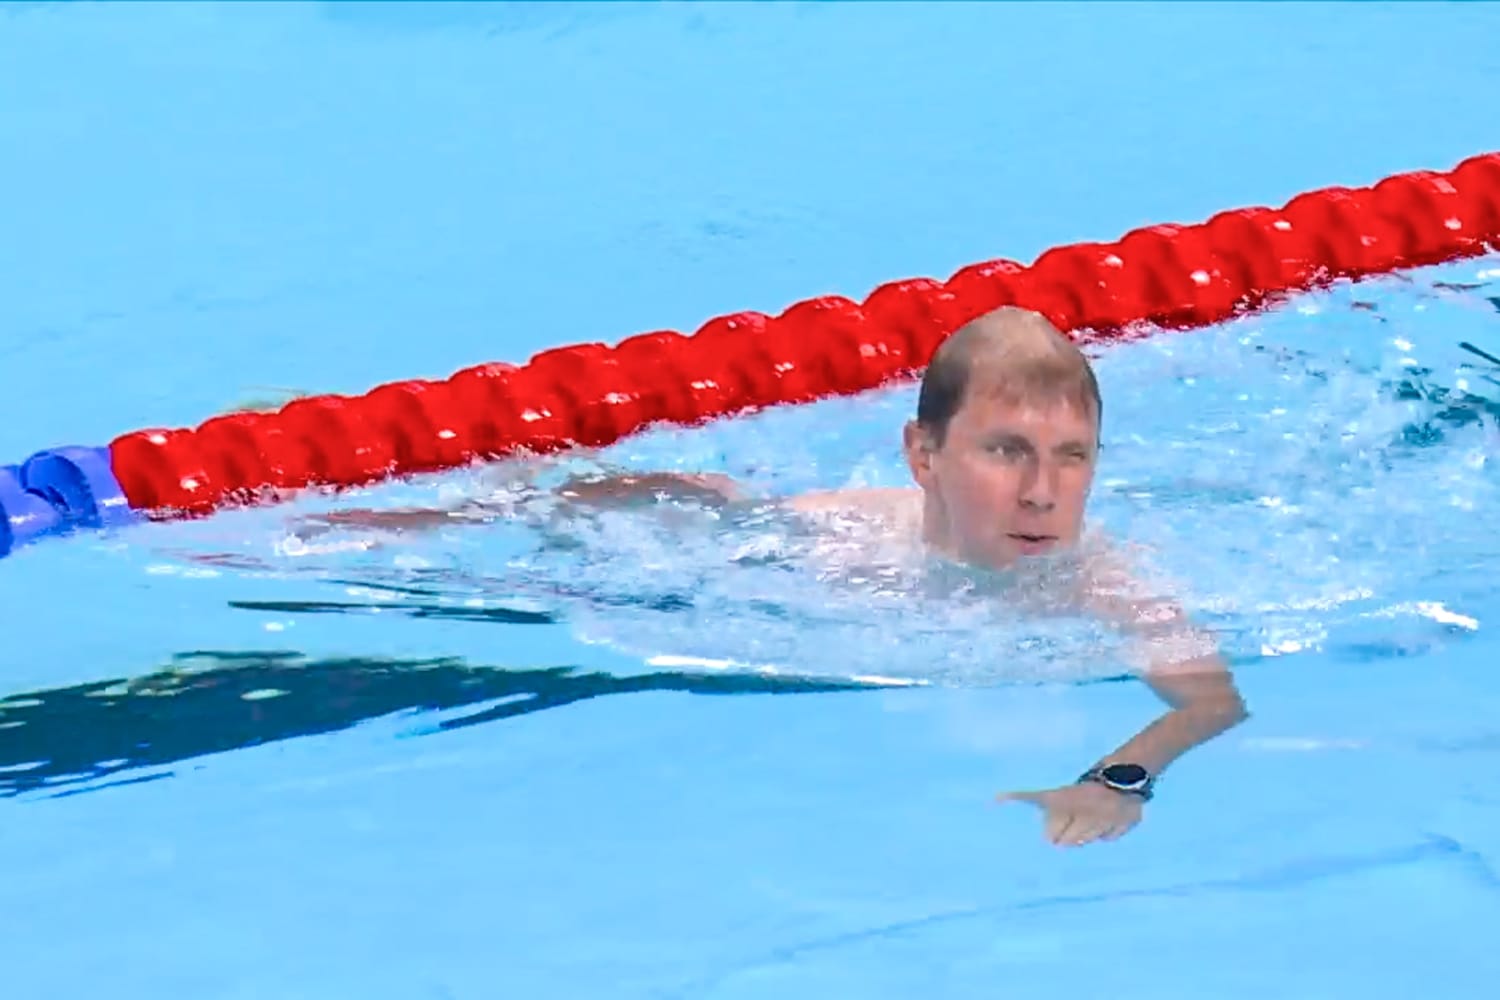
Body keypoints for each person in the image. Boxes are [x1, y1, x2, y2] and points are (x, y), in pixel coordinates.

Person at [301, 305, 1250, 847]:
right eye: (1007, 451)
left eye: (1073, 456)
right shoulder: (837, 539)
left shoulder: (1099, 582)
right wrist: (429, 515)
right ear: (922, 454)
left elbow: (1209, 701)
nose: (1045, 494)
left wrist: (1119, 780)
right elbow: (684, 497)